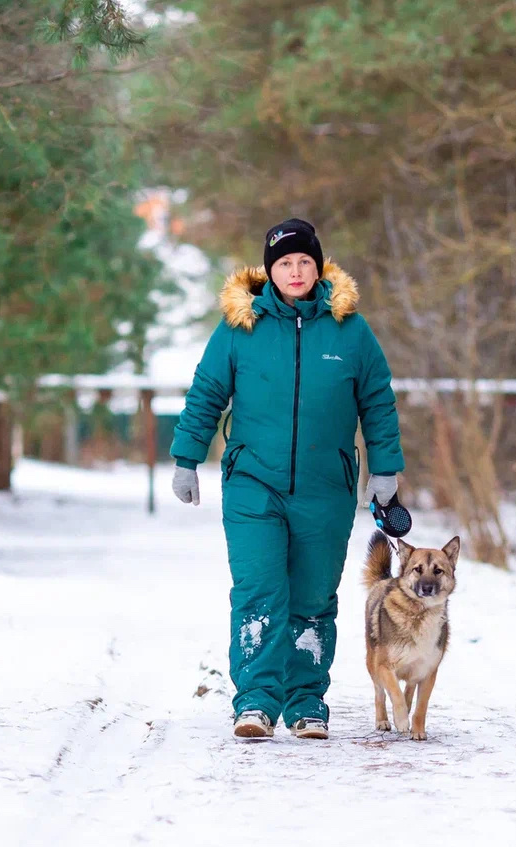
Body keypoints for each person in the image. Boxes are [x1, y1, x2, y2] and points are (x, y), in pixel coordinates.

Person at [170, 218, 404, 740]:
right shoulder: (241, 328)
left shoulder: (350, 330)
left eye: (304, 262)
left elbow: (377, 400)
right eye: (284, 264)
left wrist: (385, 467)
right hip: (253, 482)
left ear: (318, 267)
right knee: (259, 589)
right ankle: (255, 701)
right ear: (269, 271)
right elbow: (206, 392)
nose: (295, 272)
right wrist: (186, 457)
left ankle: (306, 703)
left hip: (327, 487)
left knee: (314, 596)